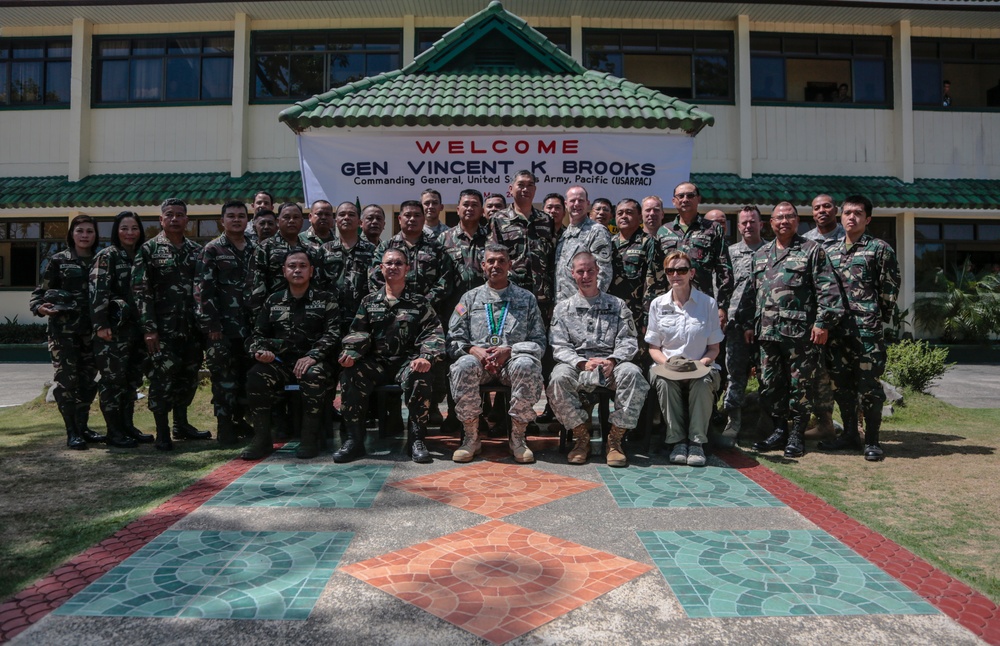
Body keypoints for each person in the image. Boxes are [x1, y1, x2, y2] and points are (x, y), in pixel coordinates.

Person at [736, 202, 844, 458]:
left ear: (797, 221)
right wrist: (748, 324)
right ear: (770, 223)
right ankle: (779, 430)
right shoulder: (761, 254)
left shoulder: (811, 251)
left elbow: (828, 290)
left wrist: (822, 323)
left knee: (800, 385)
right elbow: (750, 295)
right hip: (767, 334)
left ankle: (797, 434)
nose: (784, 221)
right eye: (779, 218)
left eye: (789, 217)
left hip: (800, 335)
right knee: (771, 384)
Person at [339, 248, 445, 463]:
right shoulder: (369, 302)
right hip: (376, 364)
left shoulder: (419, 302)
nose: (393, 267)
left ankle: (416, 440)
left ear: (407, 269)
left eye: (399, 263)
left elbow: (434, 334)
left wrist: (426, 356)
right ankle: (354, 440)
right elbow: (357, 332)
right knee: (351, 373)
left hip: (408, 363)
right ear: (381, 268)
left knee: (420, 376)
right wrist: (350, 353)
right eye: (389, 263)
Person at [818, 195, 900, 461]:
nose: (851, 217)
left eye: (857, 213)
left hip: (866, 332)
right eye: (847, 213)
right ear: (840, 217)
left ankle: (872, 441)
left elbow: (889, 289)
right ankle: (850, 433)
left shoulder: (879, 249)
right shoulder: (829, 252)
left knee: (869, 386)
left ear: (868, 219)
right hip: (838, 332)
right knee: (841, 385)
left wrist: (876, 318)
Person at [447, 244, 546, 463]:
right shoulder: (469, 299)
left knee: (527, 365)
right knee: (462, 365)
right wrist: (474, 350)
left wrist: (510, 351)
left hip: (512, 364)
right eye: (491, 261)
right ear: (483, 266)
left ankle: (518, 438)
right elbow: (453, 337)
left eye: (501, 261)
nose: (496, 265)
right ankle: (471, 438)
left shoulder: (526, 298)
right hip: (479, 364)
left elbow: (539, 342)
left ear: (510, 265)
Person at [548, 252, 648, 467]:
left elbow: (629, 340)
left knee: (633, 374)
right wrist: (581, 363)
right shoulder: (563, 309)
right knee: (557, 379)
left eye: (590, 270)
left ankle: (615, 439)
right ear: (572, 274)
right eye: (580, 271)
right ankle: (581, 437)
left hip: (610, 366)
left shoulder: (617, 305)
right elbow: (559, 346)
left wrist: (613, 360)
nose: (586, 275)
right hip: (578, 365)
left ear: (598, 271)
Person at [243, 250, 341, 460]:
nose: (297, 270)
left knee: (314, 375)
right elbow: (257, 335)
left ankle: (309, 438)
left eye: (303, 266)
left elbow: (333, 334)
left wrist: (313, 356)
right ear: (284, 271)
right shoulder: (273, 300)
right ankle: (261, 439)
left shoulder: (326, 299)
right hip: (280, 364)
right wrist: (261, 352)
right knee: (256, 375)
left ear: (311, 271)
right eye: (292, 266)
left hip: (314, 363)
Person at [133, 198, 210, 450]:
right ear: (161, 220)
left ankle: (181, 424)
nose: (175, 219)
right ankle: (163, 431)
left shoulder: (196, 251)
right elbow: (141, 292)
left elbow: (203, 289)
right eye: (169, 214)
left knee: (188, 378)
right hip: (162, 331)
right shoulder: (149, 250)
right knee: (161, 379)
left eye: (180, 215)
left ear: (187, 220)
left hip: (191, 330)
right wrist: (149, 329)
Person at [647, 251, 724, 467]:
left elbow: (713, 348)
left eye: (681, 270)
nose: (676, 275)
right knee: (664, 381)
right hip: (667, 365)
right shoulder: (657, 304)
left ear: (691, 273)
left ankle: (696, 442)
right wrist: (668, 365)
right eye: (670, 271)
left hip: (700, 364)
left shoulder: (707, 304)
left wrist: (701, 365)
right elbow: (654, 348)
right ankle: (677, 441)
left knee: (703, 382)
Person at [31, 214, 102, 450]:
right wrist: (39, 308)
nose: (84, 235)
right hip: (64, 334)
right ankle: (72, 432)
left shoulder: (101, 259)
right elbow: (40, 293)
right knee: (67, 382)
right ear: (72, 233)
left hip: (91, 332)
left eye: (89, 231)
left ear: (95, 234)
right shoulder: (58, 260)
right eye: (80, 231)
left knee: (87, 381)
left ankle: (83, 427)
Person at [195, 200, 255, 446]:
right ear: (223, 221)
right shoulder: (212, 249)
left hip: (250, 329)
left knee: (244, 378)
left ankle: (240, 421)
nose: (237, 220)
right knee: (223, 380)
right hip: (222, 330)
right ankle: (225, 427)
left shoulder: (255, 248)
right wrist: (212, 327)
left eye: (241, 216)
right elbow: (202, 291)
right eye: (231, 216)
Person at [90, 211, 152, 447]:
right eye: (124, 228)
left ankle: (127, 426)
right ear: (116, 230)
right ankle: (114, 432)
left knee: (131, 381)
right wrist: (101, 324)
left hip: (137, 330)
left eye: (134, 228)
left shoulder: (142, 255)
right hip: (113, 332)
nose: (129, 233)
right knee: (112, 381)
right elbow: (97, 292)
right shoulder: (107, 256)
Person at [438, 189, 490, 429]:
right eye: (465, 204)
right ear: (457, 209)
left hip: (486, 310)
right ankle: (454, 413)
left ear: (482, 210)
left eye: (474, 205)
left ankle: (492, 415)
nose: (469, 209)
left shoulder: (492, 238)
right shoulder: (444, 239)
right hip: (453, 309)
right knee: (456, 359)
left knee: (489, 357)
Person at [718, 206, 766, 447]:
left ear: (761, 224)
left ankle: (767, 424)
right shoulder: (730, 252)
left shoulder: (771, 251)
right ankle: (733, 422)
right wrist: (722, 310)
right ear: (738, 226)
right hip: (736, 325)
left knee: (768, 376)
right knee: (735, 374)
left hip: (766, 324)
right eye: (744, 223)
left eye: (752, 222)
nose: (748, 226)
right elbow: (724, 286)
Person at [657, 182, 733, 328]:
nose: (685, 199)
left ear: (698, 199)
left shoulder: (712, 228)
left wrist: (722, 306)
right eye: (681, 196)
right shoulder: (663, 231)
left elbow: (724, 270)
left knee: (705, 348)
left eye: (690, 195)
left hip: (703, 303)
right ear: (674, 201)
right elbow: (655, 272)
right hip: (671, 305)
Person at [487, 170, 556, 324]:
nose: (526, 189)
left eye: (530, 185)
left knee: (540, 342)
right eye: (521, 185)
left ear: (535, 190)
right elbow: (492, 256)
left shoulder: (545, 220)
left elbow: (552, 260)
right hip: (510, 294)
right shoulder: (498, 219)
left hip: (541, 297)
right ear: (511, 189)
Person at [371, 200, 454, 317]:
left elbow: (445, 281)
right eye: (407, 215)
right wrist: (394, 301)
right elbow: (375, 278)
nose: (412, 219)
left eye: (417, 215)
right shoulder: (385, 247)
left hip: (427, 315)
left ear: (424, 219)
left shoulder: (437, 249)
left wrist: (422, 303)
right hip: (391, 314)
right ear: (399, 219)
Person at [609, 197, 665, 351]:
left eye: (629, 212)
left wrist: (648, 319)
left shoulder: (649, 243)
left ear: (639, 217)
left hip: (637, 316)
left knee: (637, 358)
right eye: (620, 213)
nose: (624, 216)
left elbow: (653, 284)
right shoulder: (609, 243)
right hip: (611, 314)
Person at [249, 201, 327, 311]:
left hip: (306, 313)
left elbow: (317, 284)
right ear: (278, 221)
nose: (291, 221)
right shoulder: (265, 248)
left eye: (296, 217)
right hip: (275, 312)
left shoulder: (311, 250)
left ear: (302, 221)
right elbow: (256, 284)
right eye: (286, 217)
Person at [554, 186, 613, 303]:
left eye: (581, 201)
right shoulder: (564, 235)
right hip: (562, 307)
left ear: (587, 203)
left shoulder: (596, 231)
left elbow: (604, 273)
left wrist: (592, 302)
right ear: (566, 204)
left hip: (585, 307)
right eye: (572, 201)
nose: (576, 204)